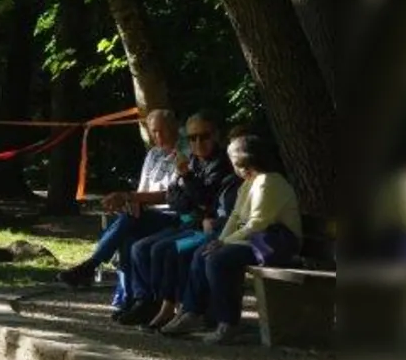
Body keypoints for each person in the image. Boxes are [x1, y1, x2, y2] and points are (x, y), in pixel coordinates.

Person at [167, 134, 303, 345]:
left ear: (244, 161)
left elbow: (257, 223)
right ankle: (192, 312)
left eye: (234, 161)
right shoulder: (249, 183)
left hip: (276, 244)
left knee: (218, 259)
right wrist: (220, 240)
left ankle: (227, 323)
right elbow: (236, 217)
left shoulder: (269, 182)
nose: (233, 167)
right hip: (256, 241)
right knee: (204, 252)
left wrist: (225, 243)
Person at [115, 113, 239, 329]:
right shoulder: (191, 161)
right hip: (189, 223)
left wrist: (188, 182)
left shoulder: (222, 164)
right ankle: (150, 302)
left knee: (167, 250)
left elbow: (205, 200)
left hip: (206, 230)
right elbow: (174, 197)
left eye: (204, 136)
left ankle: (174, 309)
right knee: (140, 247)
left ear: (216, 135)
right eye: (192, 138)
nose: (198, 143)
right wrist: (191, 198)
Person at [56, 109, 183, 306]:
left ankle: (91, 266)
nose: (158, 136)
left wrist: (127, 197)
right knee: (127, 237)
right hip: (148, 215)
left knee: (129, 223)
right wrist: (129, 203)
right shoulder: (153, 155)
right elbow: (142, 191)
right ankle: (134, 300)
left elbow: (172, 196)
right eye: (154, 131)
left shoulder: (186, 154)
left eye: (162, 131)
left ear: (174, 128)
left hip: (173, 216)